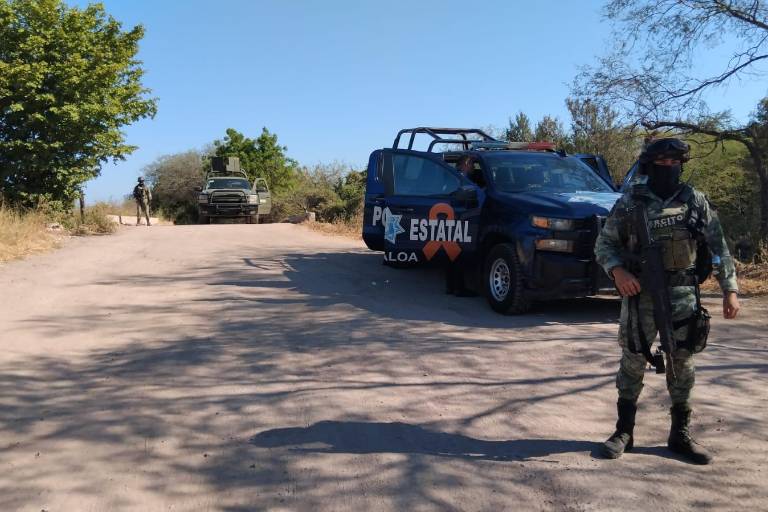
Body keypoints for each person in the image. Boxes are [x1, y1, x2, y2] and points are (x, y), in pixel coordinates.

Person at [594, 138, 740, 465]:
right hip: (640, 295)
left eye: (675, 163)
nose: (669, 168)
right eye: (663, 162)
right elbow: (604, 245)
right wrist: (618, 273)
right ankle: (624, 431)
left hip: (683, 294)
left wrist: (730, 288)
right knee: (633, 359)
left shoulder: (695, 201)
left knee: (682, 362)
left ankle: (680, 434)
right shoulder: (632, 202)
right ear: (651, 164)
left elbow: (719, 246)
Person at [445, 156, 476, 296]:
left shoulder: (451, 174)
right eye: (472, 164)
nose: (473, 168)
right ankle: (459, 288)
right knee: (458, 254)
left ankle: (451, 287)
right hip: (460, 217)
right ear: (466, 163)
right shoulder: (461, 177)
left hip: (452, 217)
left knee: (452, 254)